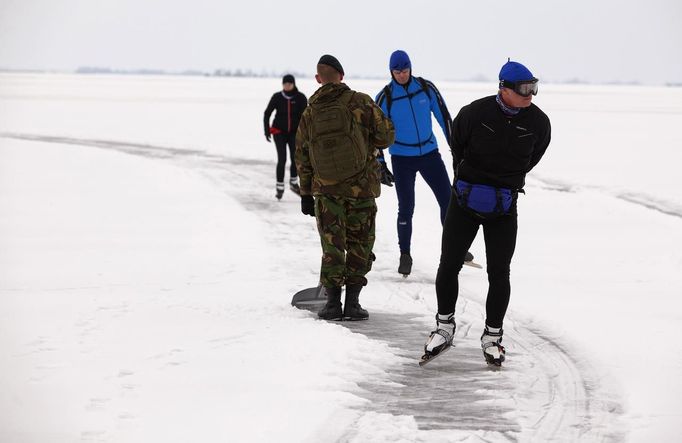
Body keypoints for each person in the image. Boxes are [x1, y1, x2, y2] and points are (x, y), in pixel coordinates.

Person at [422, 59, 551, 366]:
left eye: (534, 88)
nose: (530, 95)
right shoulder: (473, 113)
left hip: (504, 207)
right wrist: (472, 179)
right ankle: (444, 328)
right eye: (524, 89)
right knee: (449, 263)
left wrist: (503, 182)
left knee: (499, 272)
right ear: (503, 88)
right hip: (464, 202)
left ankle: (492, 337)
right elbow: (458, 147)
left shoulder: (538, 123)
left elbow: (533, 157)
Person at [295, 54, 395, 321]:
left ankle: (331, 305)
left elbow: (302, 155)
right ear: (341, 75)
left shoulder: (310, 111)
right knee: (360, 244)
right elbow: (386, 137)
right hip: (361, 189)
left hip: (326, 192)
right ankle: (352, 304)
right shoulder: (360, 101)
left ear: (318, 79)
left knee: (332, 246)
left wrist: (306, 193)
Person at [375, 50, 473, 277]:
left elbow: (445, 118)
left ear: (411, 68)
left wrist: (456, 150)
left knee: (448, 201)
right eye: (397, 71)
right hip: (401, 159)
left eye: (405, 70)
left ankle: (456, 247)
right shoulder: (385, 97)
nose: (402, 75)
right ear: (391, 71)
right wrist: (380, 162)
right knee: (406, 207)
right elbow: (375, 133)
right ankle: (405, 255)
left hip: (429, 154)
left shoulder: (426, 88)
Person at [263, 74, 308, 200]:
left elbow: (307, 117)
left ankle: (294, 183)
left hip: (295, 133)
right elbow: (267, 113)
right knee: (282, 159)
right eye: (285, 84)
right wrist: (267, 131)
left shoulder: (300, 98)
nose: (287, 86)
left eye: (289, 84)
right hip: (279, 132)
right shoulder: (277, 97)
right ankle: (280, 187)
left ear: (293, 84)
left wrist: (307, 133)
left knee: (295, 158)